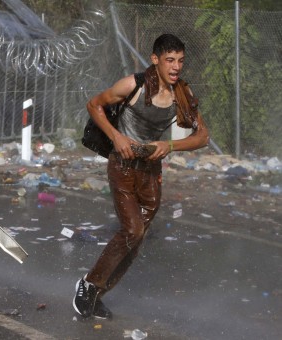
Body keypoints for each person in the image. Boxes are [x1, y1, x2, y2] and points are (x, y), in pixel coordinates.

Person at [73, 34, 210, 319]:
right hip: (123, 165)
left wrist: (170, 145)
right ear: (155, 59)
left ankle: (96, 294)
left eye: (180, 61)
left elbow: (202, 137)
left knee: (135, 240)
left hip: (151, 172)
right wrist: (116, 136)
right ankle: (87, 285)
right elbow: (93, 105)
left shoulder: (182, 93)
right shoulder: (132, 85)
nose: (176, 67)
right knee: (132, 230)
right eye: (170, 60)